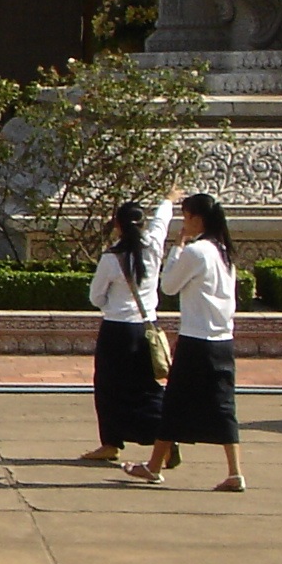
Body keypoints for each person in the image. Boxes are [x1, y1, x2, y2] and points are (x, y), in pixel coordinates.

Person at [132, 190, 245, 490]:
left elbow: (168, 286)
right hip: (222, 339)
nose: (184, 223)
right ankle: (234, 471)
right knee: (223, 406)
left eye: (186, 216)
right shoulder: (224, 252)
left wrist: (178, 248)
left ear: (197, 218)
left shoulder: (197, 252)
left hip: (197, 340)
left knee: (175, 403)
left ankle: (154, 466)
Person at [82, 196, 172, 465]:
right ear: (142, 225)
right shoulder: (154, 248)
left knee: (110, 388)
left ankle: (111, 443)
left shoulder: (112, 258)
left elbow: (96, 297)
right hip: (146, 328)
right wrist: (168, 200)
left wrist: (112, 304)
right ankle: (165, 437)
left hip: (117, 332)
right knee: (148, 387)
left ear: (117, 226)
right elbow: (162, 223)